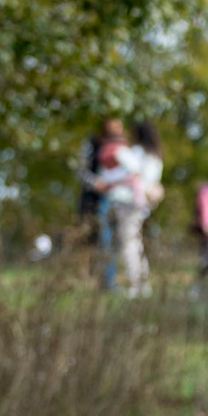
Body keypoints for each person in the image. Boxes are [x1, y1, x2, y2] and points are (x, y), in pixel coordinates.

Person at [96, 121, 164, 297]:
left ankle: (135, 286)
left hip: (128, 202)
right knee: (135, 242)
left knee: (129, 244)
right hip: (141, 203)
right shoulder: (155, 156)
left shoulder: (135, 153)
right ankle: (143, 284)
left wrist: (109, 183)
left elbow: (133, 175)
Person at [77, 116, 126, 289]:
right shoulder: (92, 144)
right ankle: (90, 279)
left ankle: (109, 280)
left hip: (119, 200)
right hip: (93, 199)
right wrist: (96, 183)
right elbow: (81, 170)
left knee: (113, 241)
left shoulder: (124, 146)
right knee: (90, 239)